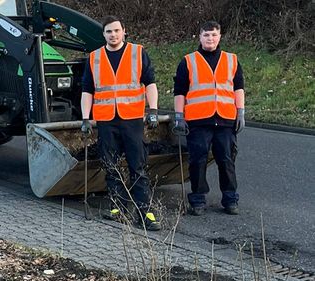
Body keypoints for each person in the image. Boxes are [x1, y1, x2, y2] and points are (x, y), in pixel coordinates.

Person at [80, 16, 162, 231]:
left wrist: (153, 110)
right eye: (109, 31)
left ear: (124, 31)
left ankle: (145, 212)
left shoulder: (137, 52)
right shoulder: (94, 58)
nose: (113, 35)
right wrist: (85, 118)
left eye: (117, 30)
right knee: (111, 165)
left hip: (132, 119)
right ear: (103, 34)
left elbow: (150, 83)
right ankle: (118, 208)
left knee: (138, 165)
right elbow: (87, 90)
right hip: (106, 120)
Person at [172, 21, 245, 216]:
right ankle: (197, 199)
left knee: (226, 159)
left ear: (219, 37)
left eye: (213, 35)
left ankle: (230, 199)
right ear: (200, 37)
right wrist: (179, 116)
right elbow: (180, 91)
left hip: (225, 119)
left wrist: (241, 111)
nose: (210, 39)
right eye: (206, 35)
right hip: (198, 120)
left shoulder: (232, 60)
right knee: (197, 160)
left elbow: (238, 87)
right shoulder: (188, 61)